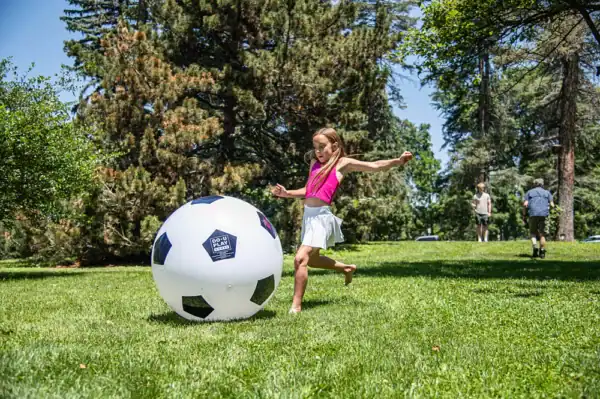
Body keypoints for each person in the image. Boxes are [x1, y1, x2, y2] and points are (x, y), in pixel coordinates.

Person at [271, 127, 413, 313]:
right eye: (316, 147)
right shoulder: (314, 163)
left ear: (334, 145)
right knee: (312, 261)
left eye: (322, 146)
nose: (318, 151)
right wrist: (287, 193)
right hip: (308, 216)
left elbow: (374, 165)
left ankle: (296, 306)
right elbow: (308, 190)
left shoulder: (342, 163)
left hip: (321, 217)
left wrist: (397, 161)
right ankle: (346, 268)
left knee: (300, 259)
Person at [523, 178, 554, 258]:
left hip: (532, 214)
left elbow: (525, 204)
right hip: (544, 214)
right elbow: (552, 205)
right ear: (542, 184)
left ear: (534, 184)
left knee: (532, 232)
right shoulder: (547, 193)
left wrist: (524, 215)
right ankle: (542, 251)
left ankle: (535, 248)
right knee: (542, 234)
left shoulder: (529, 192)